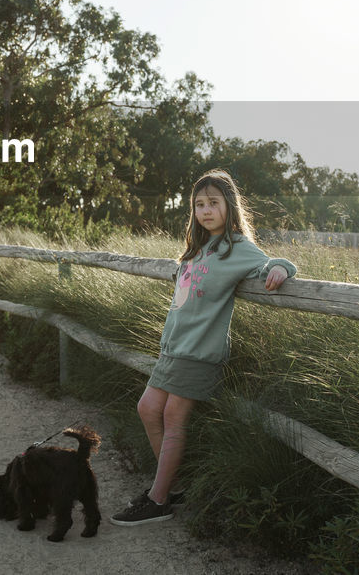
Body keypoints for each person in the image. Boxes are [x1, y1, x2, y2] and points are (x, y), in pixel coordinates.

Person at [109, 169, 297, 526]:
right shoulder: (197, 248)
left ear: (229, 206)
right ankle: (171, 486)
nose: (206, 210)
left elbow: (271, 262)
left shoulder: (236, 247)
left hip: (200, 352)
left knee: (172, 417)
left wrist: (281, 270)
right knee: (148, 408)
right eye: (199, 204)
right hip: (173, 348)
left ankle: (158, 500)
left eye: (213, 203)